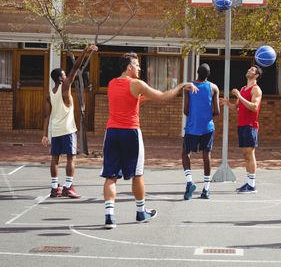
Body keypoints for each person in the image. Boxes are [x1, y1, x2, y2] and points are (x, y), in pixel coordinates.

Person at [101, 52, 198, 229]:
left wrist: (139, 99)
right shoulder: (137, 84)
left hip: (112, 132)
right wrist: (182, 85)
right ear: (129, 67)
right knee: (137, 174)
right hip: (130, 132)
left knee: (110, 176)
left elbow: (128, 102)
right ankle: (140, 212)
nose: (140, 68)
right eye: (137, 65)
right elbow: (162, 97)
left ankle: (109, 216)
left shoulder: (111, 83)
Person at [42, 44, 98, 198]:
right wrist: (85, 51)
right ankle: (68, 187)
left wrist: (44, 135)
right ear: (60, 78)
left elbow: (46, 116)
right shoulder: (65, 86)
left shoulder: (49, 94)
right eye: (64, 74)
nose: (67, 76)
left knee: (55, 159)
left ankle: (55, 188)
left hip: (55, 129)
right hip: (67, 130)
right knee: (70, 158)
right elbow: (75, 68)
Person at [220, 65, 263, 194]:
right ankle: (249, 183)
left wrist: (239, 95)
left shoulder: (256, 90)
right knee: (246, 155)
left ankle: (252, 185)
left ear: (256, 75)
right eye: (249, 69)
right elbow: (238, 107)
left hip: (250, 126)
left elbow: (254, 107)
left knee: (250, 154)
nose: (249, 70)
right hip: (242, 125)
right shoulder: (244, 88)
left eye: (252, 70)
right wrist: (228, 103)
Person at [182, 63, 220, 200]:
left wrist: (195, 114)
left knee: (185, 153)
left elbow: (185, 110)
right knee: (206, 156)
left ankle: (190, 181)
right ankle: (206, 189)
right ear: (208, 75)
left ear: (196, 72)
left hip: (192, 127)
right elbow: (217, 111)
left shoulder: (189, 87)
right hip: (207, 127)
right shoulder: (213, 88)